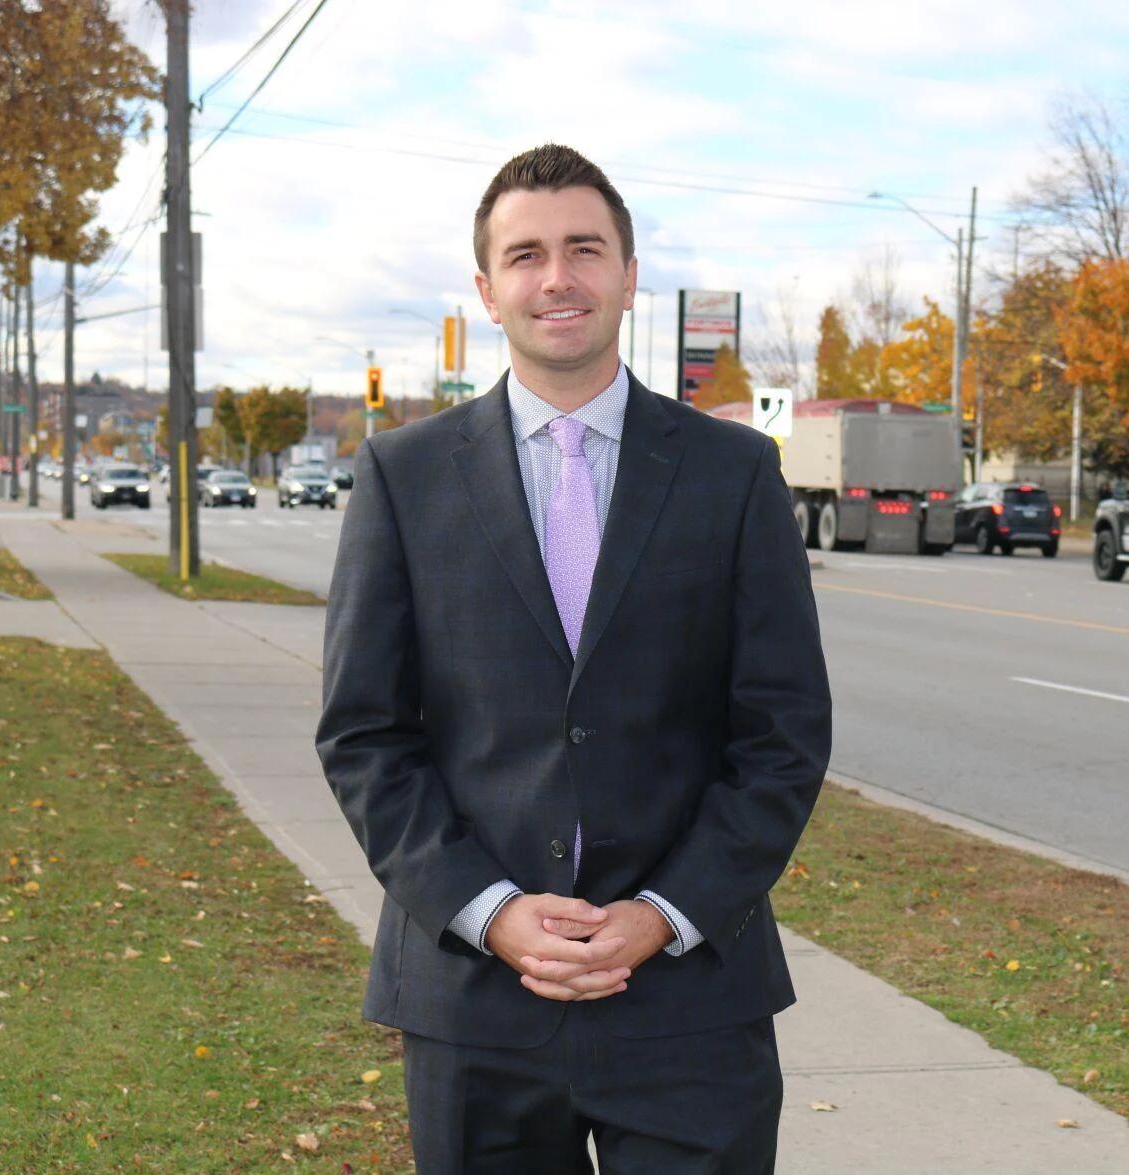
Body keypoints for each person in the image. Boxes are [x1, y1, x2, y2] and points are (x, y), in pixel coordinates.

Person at [316, 143, 832, 1173]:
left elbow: (780, 736)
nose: (558, 277)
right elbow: (366, 734)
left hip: (690, 1000)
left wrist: (662, 914)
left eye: (584, 249)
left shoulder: (733, 473)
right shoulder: (402, 476)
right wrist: (494, 912)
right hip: (474, 1002)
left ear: (628, 274)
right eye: (527, 254)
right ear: (487, 289)